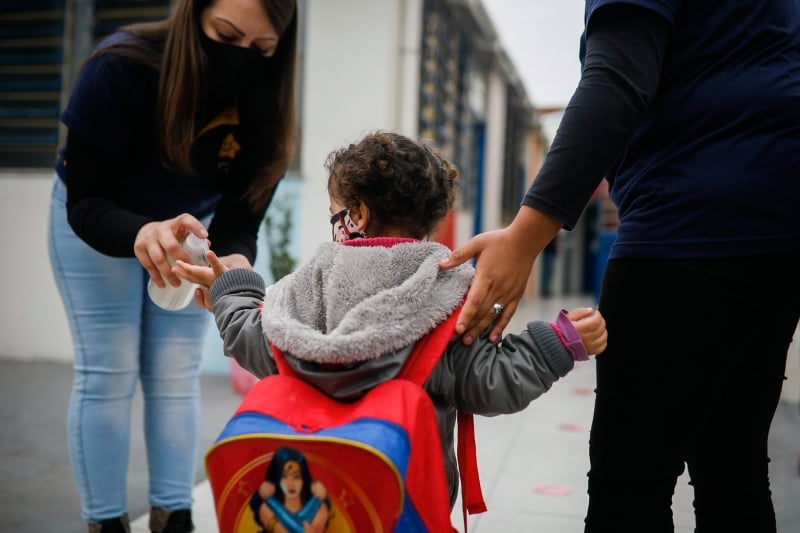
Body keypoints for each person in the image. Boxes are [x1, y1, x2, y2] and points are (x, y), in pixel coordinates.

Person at [440, 1, 800, 532]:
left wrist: (524, 237)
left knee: (629, 487)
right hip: (780, 232)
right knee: (734, 471)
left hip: (685, 227)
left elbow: (618, 80)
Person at [173, 131, 607, 509]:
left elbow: (258, 341)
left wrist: (231, 292)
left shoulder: (312, 283)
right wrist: (557, 343)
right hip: (408, 501)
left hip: (319, 494)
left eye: (334, 211)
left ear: (357, 215)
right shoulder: (445, 295)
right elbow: (491, 383)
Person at [46, 0, 298, 531]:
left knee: (175, 371)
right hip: (99, 219)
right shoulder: (119, 69)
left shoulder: (267, 105)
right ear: (193, 14)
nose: (241, 58)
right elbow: (86, 202)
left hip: (190, 227)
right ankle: (106, 522)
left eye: (262, 48)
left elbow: (240, 222)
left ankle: (174, 517)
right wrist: (141, 232)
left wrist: (232, 267)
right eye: (225, 35)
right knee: (109, 370)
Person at [250, 447, 330, 533]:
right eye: (284, 477)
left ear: (304, 479)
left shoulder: (321, 508)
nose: (291, 484)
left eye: (296, 477)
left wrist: (269, 499)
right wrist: (316, 500)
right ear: (277, 478)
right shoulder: (266, 508)